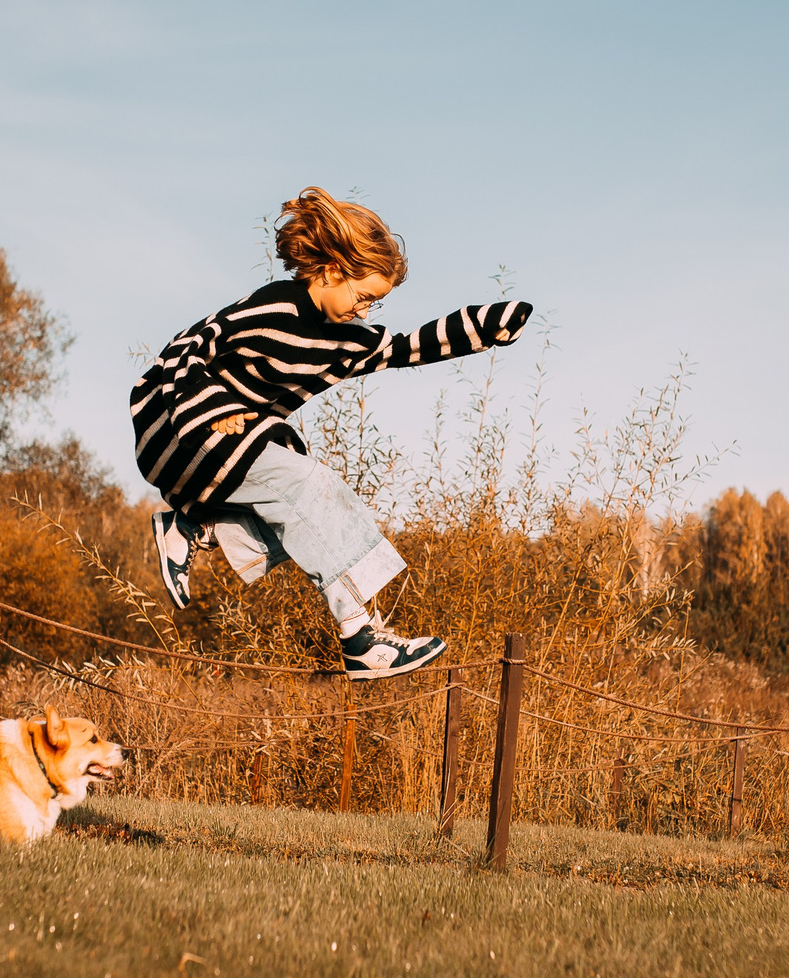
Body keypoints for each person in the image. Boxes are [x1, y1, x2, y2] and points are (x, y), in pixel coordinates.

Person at [130, 187, 532, 679]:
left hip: (230, 454)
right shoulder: (272, 307)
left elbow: (406, 347)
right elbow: (186, 347)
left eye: (375, 304)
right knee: (314, 488)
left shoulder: (344, 339)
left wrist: (484, 327)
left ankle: (195, 529)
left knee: (302, 520)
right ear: (334, 269)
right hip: (176, 431)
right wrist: (209, 407)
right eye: (363, 297)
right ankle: (360, 635)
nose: (364, 311)